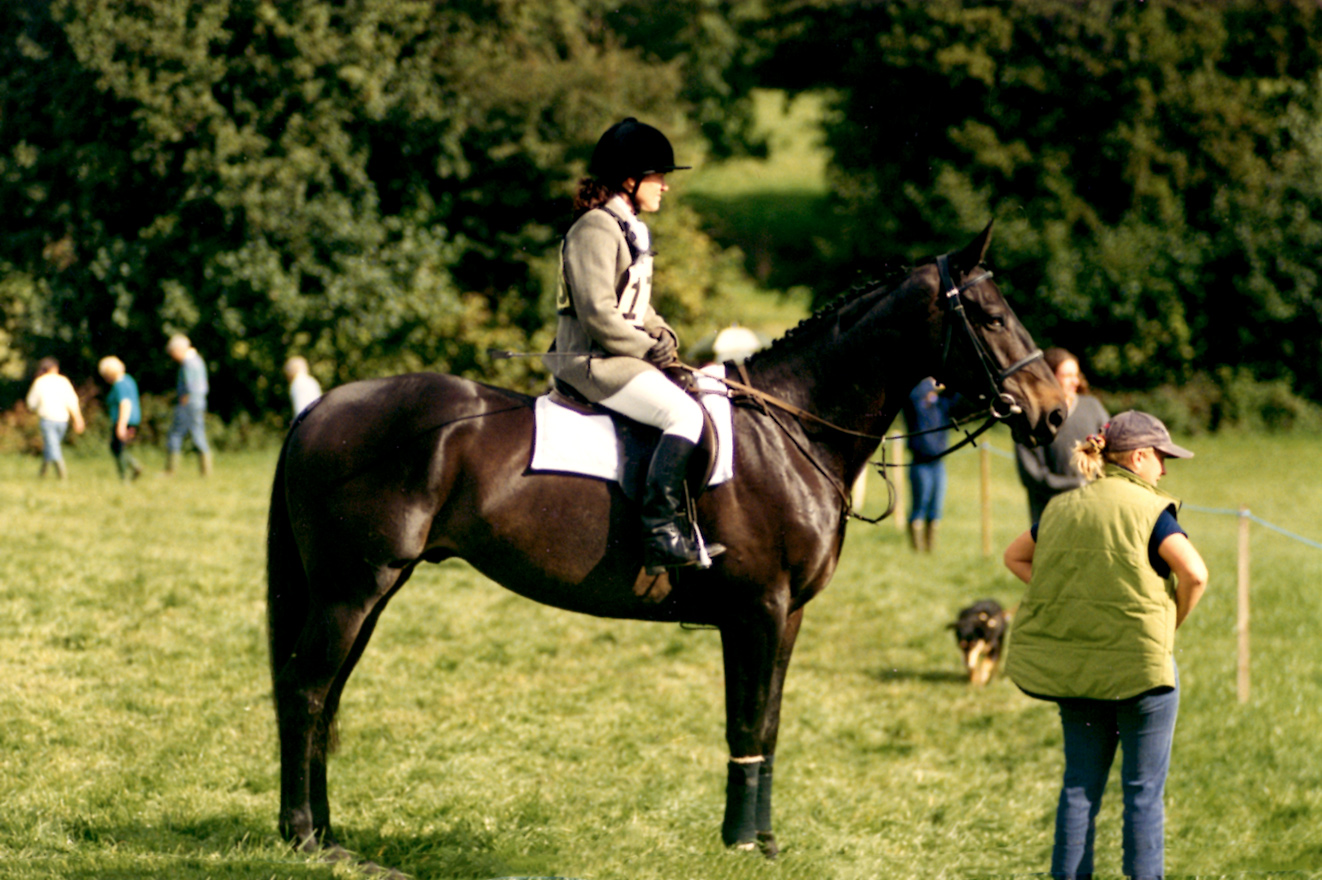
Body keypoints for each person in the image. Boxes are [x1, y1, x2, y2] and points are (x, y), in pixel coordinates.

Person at [1002, 410, 1209, 880]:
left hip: (1077, 670)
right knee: (1142, 793)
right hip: (1142, 672)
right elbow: (1195, 573)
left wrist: (1065, 601)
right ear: (1138, 457)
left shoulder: (1060, 507)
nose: (1165, 469)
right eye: (1161, 457)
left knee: (1078, 787)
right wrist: (1168, 622)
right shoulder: (1151, 511)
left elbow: (1013, 556)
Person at [547, 117, 723, 574]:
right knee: (683, 414)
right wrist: (648, 350)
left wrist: (665, 337)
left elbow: (637, 306)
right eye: (658, 176)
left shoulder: (627, 227)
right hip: (593, 362)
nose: (665, 186)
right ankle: (661, 531)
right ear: (629, 179)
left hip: (620, 355)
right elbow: (600, 315)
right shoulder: (596, 228)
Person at [1015, 347, 1109, 523]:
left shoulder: (1092, 407)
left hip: (1095, 511)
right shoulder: (1033, 418)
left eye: (1076, 375)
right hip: (1051, 516)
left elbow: (1113, 449)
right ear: (1049, 377)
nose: (1074, 381)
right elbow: (1032, 475)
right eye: (1067, 376)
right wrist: (1076, 485)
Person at [900, 377, 956, 552]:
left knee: (935, 509)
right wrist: (929, 386)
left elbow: (956, 395)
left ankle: (929, 550)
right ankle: (916, 550)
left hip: (939, 463)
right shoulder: (915, 401)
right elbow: (911, 395)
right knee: (920, 506)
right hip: (920, 462)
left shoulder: (940, 404)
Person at [25, 357, 85, 479]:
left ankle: (62, 476)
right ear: (55, 368)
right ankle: (43, 474)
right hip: (63, 419)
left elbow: (31, 403)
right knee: (52, 445)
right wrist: (78, 419)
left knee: (52, 446)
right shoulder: (64, 381)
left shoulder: (40, 382)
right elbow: (72, 401)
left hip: (47, 419)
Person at [164, 334, 211, 476]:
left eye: (173, 352)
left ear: (179, 349)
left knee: (175, 434)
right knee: (198, 434)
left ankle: (170, 471)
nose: (173, 356)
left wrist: (183, 403)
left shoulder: (188, 363)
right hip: (199, 402)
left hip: (189, 403)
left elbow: (190, 386)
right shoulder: (197, 360)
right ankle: (206, 472)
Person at [98, 356, 143, 481]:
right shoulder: (129, 380)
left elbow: (125, 404)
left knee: (117, 448)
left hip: (123, 419)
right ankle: (132, 468)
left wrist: (121, 425)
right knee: (119, 448)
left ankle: (128, 474)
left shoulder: (119, 385)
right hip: (133, 419)